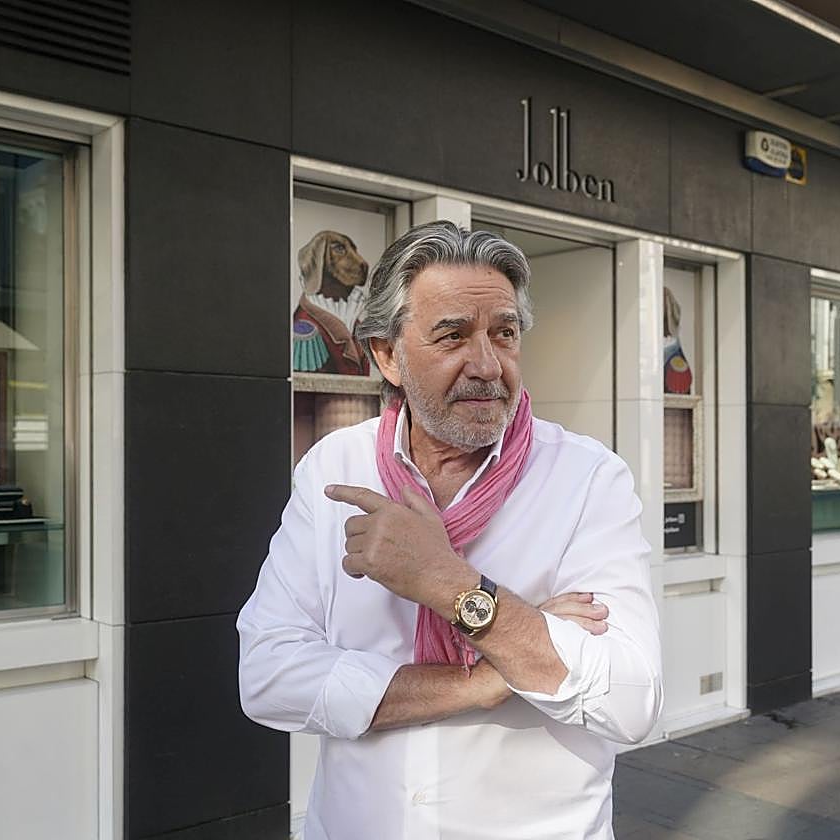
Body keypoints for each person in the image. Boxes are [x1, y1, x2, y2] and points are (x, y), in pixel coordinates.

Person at [238, 221, 662, 839]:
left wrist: (451, 585)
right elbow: (268, 675)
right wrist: (493, 676)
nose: (488, 365)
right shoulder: (335, 468)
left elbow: (630, 702)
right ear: (387, 354)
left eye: (505, 333)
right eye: (453, 335)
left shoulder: (589, 479)